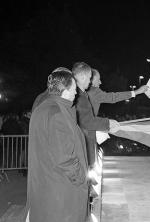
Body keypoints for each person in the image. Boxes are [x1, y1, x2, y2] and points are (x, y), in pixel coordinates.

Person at [26, 70, 89, 222]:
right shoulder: (58, 114)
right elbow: (65, 158)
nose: (76, 93)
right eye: (74, 88)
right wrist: (81, 178)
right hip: (61, 192)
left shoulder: (43, 108)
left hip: (46, 187)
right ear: (65, 90)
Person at [72, 62, 119, 169]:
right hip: (84, 141)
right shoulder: (80, 96)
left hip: (83, 141)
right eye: (89, 78)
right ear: (82, 77)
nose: (90, 81)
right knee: (86, 170)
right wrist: (108, 122)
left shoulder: (82, 94)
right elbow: (87, 121)